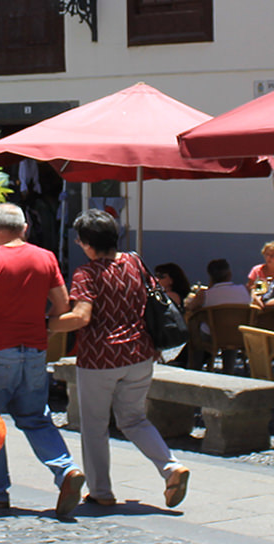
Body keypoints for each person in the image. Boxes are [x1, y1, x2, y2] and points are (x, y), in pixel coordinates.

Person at [50, 209, 191, 509]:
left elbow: (80, 317)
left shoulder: (85, 274)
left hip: (100, 360)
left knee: (94, 427)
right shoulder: (135, 262)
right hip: (140, 354)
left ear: (88, 243)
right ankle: (170, 467)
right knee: (134, 419)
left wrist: (43, 325)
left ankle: (101, 490)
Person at [0, 203, 84, 516]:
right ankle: (66, 470)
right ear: (25, 228)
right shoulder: (45, 258)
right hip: (34, 352)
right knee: (36, 418)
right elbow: (62, 302)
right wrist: (47, 327)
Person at [184, 259, 252, 313]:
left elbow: (188, 308)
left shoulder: (204, 295)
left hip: (213, 330)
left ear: (210, 277)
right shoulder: (245, 290)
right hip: (240, 329)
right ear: (230, 275)